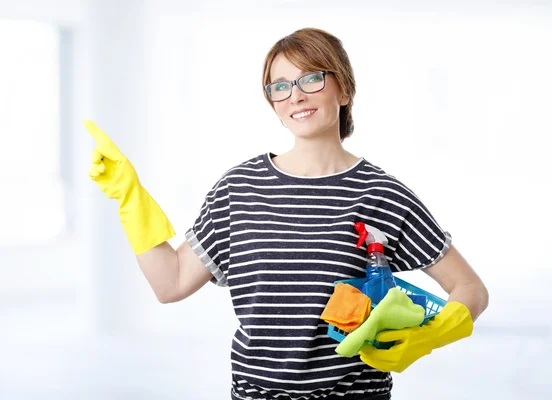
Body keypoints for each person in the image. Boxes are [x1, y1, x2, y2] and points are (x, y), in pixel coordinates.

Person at [85, 27, 489, 400]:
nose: (295, 95)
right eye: (280, 86)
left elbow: (470, 289)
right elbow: (169, 283)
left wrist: (433, 334)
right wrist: (129, 197)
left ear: (344, 90)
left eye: (311, 78)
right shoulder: (239, 189)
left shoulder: (382, 193)